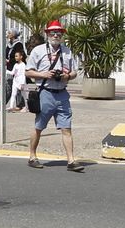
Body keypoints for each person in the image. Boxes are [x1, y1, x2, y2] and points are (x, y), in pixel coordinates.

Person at [27, 20, 83, 171]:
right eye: (53, 32)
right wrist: (43, 74)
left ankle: (71, 160)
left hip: (62, 94)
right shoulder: (38, 51)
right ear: (47, 34)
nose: (56, 35)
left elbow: (74, 72)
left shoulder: (67, 51)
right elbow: (28, 71)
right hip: (45, 93)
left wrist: (67, 76)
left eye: (59, 32)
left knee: (67, 128)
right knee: (39, 127)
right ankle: (32, 156)